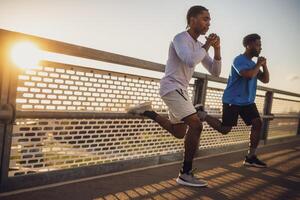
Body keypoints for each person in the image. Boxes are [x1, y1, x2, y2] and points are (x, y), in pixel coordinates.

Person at [126, 5, 222, 187]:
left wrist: (216, 49)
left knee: (179, 133)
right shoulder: (180, 38)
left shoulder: (200, 45)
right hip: (171, 87)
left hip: (181, 90)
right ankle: (185, 173)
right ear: (192, 20)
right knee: (196, 124)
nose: (209, 23)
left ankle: (148, 112)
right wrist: (208, 45)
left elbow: (215, 72)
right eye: (205, 19)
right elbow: (190, 60)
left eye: (209, 19)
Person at [199, 33, 269, 168]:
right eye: (258, 45)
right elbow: (248, 75)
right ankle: (202, 114)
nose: (260, 48)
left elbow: (265, 80)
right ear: (249, 45)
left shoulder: (253, 64)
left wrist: (264, 66)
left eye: (260, 45)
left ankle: (250, 157)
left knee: (257, 123)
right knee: (225, 129)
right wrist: (258, 64)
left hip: (247, 102)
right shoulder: (239, 60)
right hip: (233, 100)